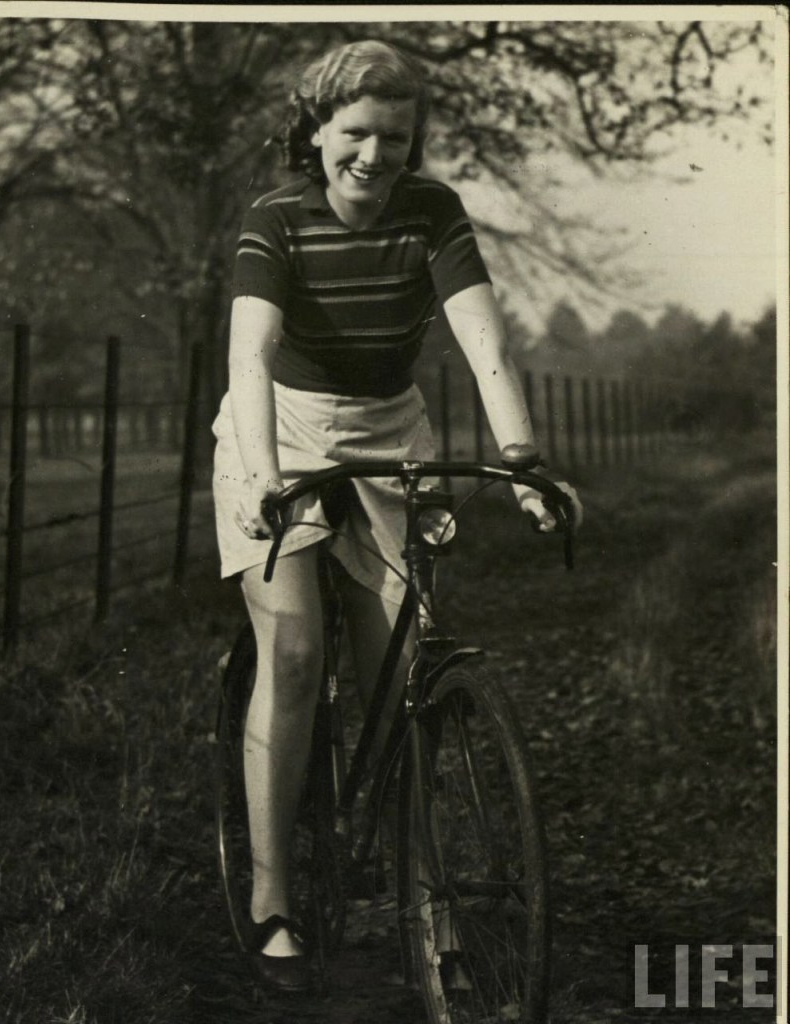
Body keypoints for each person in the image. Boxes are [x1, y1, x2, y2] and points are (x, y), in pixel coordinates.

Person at [212, 39, 581, 993]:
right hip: (278, 427)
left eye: (396, 139)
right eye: (356, 134)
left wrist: (523, 462)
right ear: (316, 132)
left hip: (390, 429)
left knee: (403, 667)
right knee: (295, 651)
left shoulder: (432, 212)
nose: (374, 157)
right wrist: (263, 477)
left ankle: (419, 887)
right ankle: (273, 897)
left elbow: (481, 335)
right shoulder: (275, 219)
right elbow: (251, 355)